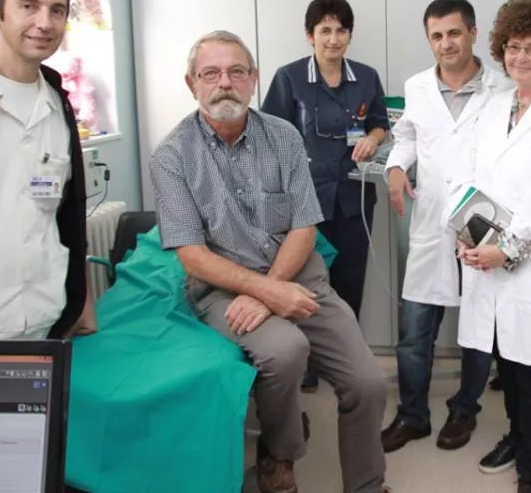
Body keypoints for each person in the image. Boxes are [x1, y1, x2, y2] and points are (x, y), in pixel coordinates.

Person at [150, 30, 389, 493]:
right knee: (285, 350)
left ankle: (366, 484)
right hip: (223, 291)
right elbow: (191, 254)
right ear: (191, 83)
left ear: (254, 79)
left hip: (301, 279)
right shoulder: (172, 156)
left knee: (368, 383)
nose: (225, 82)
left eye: (236, 72)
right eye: (211, 73)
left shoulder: (283, 136)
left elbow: (304, 228)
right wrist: (264, 292)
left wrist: (270, 290)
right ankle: (279, 452)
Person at [450, 0, 531, 493]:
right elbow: (468, 175)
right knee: (506, 359)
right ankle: (515, 435)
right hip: (484, 250)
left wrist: (506, 249)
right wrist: (468, 235)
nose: (520, 57)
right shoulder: (493, 105)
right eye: (512, 46)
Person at [381, 0, 506, 453]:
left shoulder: (503, 87)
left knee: (477, 327)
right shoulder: (417, 86)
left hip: (480, 217)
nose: (446, 43)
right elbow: (406, 136)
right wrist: (396, 168)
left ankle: (464, 409)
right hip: (432, 219)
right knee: (414, 331)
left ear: (473, 32)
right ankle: (412, 415)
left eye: (454, 33)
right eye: (436, 36)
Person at [262, 0, 389, 392]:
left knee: (349, 284)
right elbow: (269, 134)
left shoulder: (366, 77)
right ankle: (306, 364)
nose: (334, 39)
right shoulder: (289, 77)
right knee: (305, 283)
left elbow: (381, 122)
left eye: (341, 31)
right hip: (303, 204)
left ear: (350, 35)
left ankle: (346, 362)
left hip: (353, 199)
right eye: (325, 30)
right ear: (310, 35)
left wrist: (372, 138)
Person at [0, 0, 96, 341]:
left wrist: (81, 297)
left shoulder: (57, 103)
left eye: (57, 11)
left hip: (44, 319)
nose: (44, 23)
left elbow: (65, 215)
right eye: (28, 6)